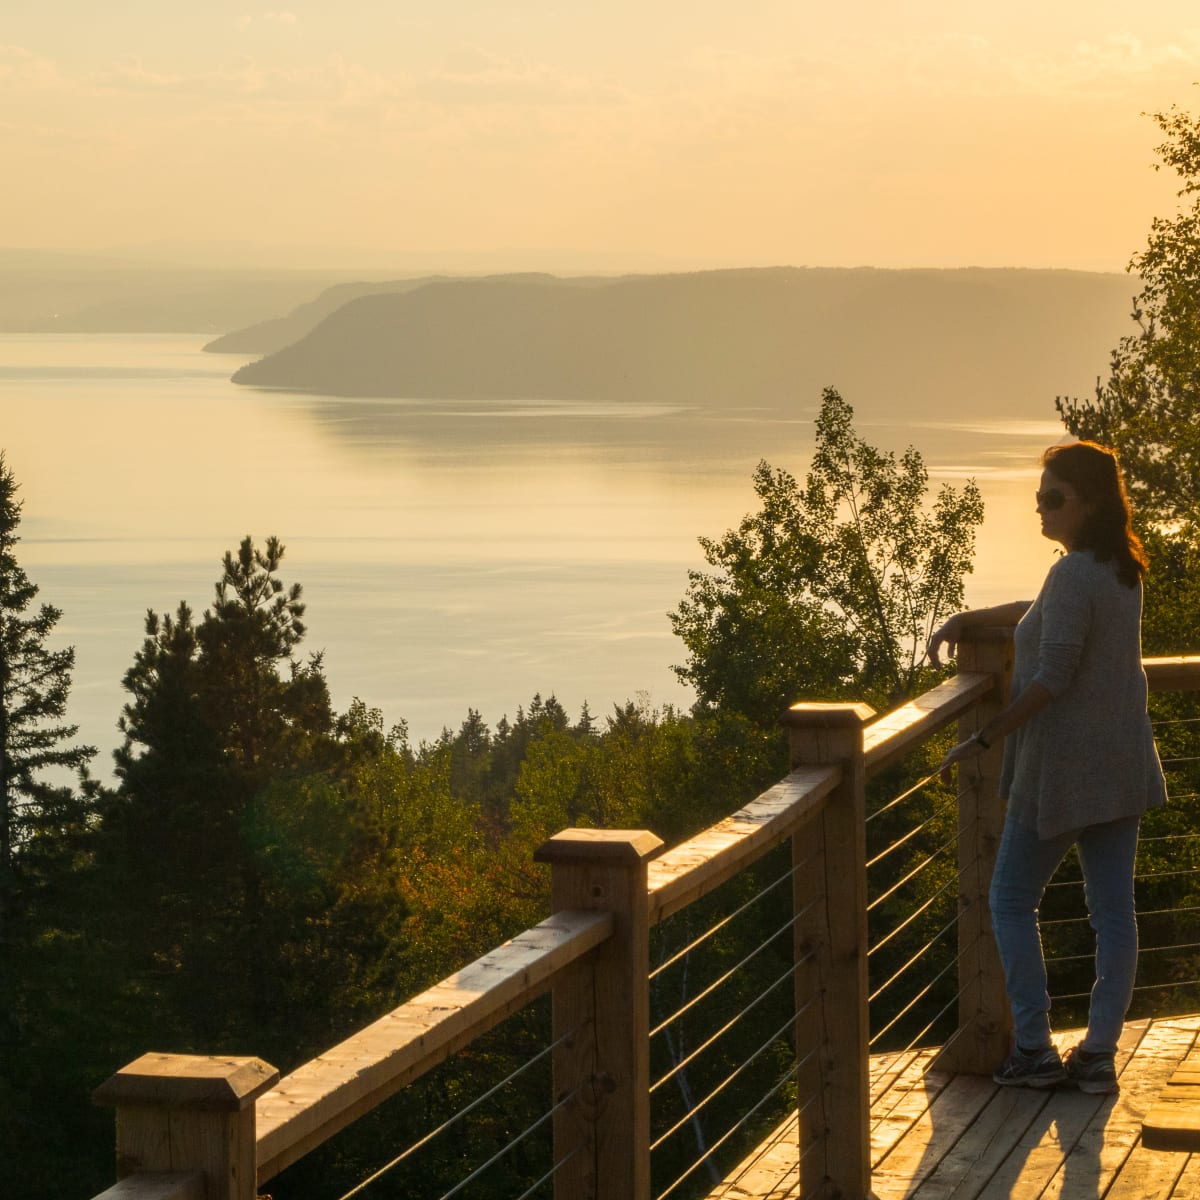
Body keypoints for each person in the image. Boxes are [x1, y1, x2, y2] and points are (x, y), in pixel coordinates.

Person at [927, 440, 1165, 1096]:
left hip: (1063, 771)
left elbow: (1052, 675)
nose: (1040, 506)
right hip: (1120, 764)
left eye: (1052, 496)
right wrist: (967, 617)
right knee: (1114, 915)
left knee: (1009, 900)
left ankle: (1031, 1048)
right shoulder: (1117, 569)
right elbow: (1037, 617)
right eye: (1038, 495)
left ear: (1087, 503)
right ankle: (1097, 1055)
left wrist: (982, 739)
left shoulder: (1075, 574)